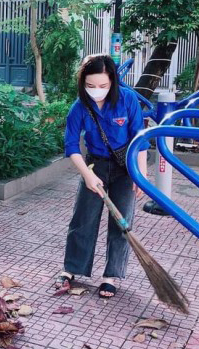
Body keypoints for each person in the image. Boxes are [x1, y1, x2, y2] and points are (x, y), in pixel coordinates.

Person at [57, 53, 149, 298]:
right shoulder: (79, 107)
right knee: (83, 220)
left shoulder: (127, 100)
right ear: (83, 83)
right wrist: (87, 175)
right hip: (94, 167)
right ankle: (72, 268)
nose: (96, 90)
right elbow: (71, 146)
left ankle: (111, 275)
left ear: (113, 82)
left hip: (124, 169)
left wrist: (141, 176)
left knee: (121, 223)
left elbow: (140, 138)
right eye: (90, 86)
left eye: (103, 86)